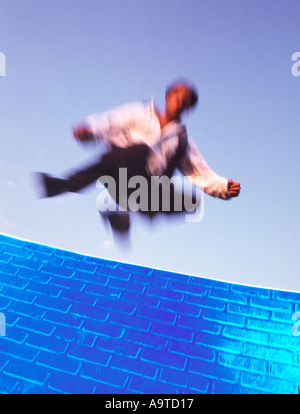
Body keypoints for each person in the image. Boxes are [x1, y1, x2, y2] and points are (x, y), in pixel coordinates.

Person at [38, 79, 241, 234]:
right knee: (140, 151)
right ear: (168, 96)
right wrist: (90, 131)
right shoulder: (140, 113)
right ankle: (63, 185)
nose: (180, 101)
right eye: (177, 95)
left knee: (192, 202)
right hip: (116, 174)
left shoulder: (181, 139)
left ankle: (123, 216)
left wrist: (224, 187)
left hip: (146, 191)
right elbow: (109, 123)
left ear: (188, 108)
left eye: (185, 100)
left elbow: (200, 173)